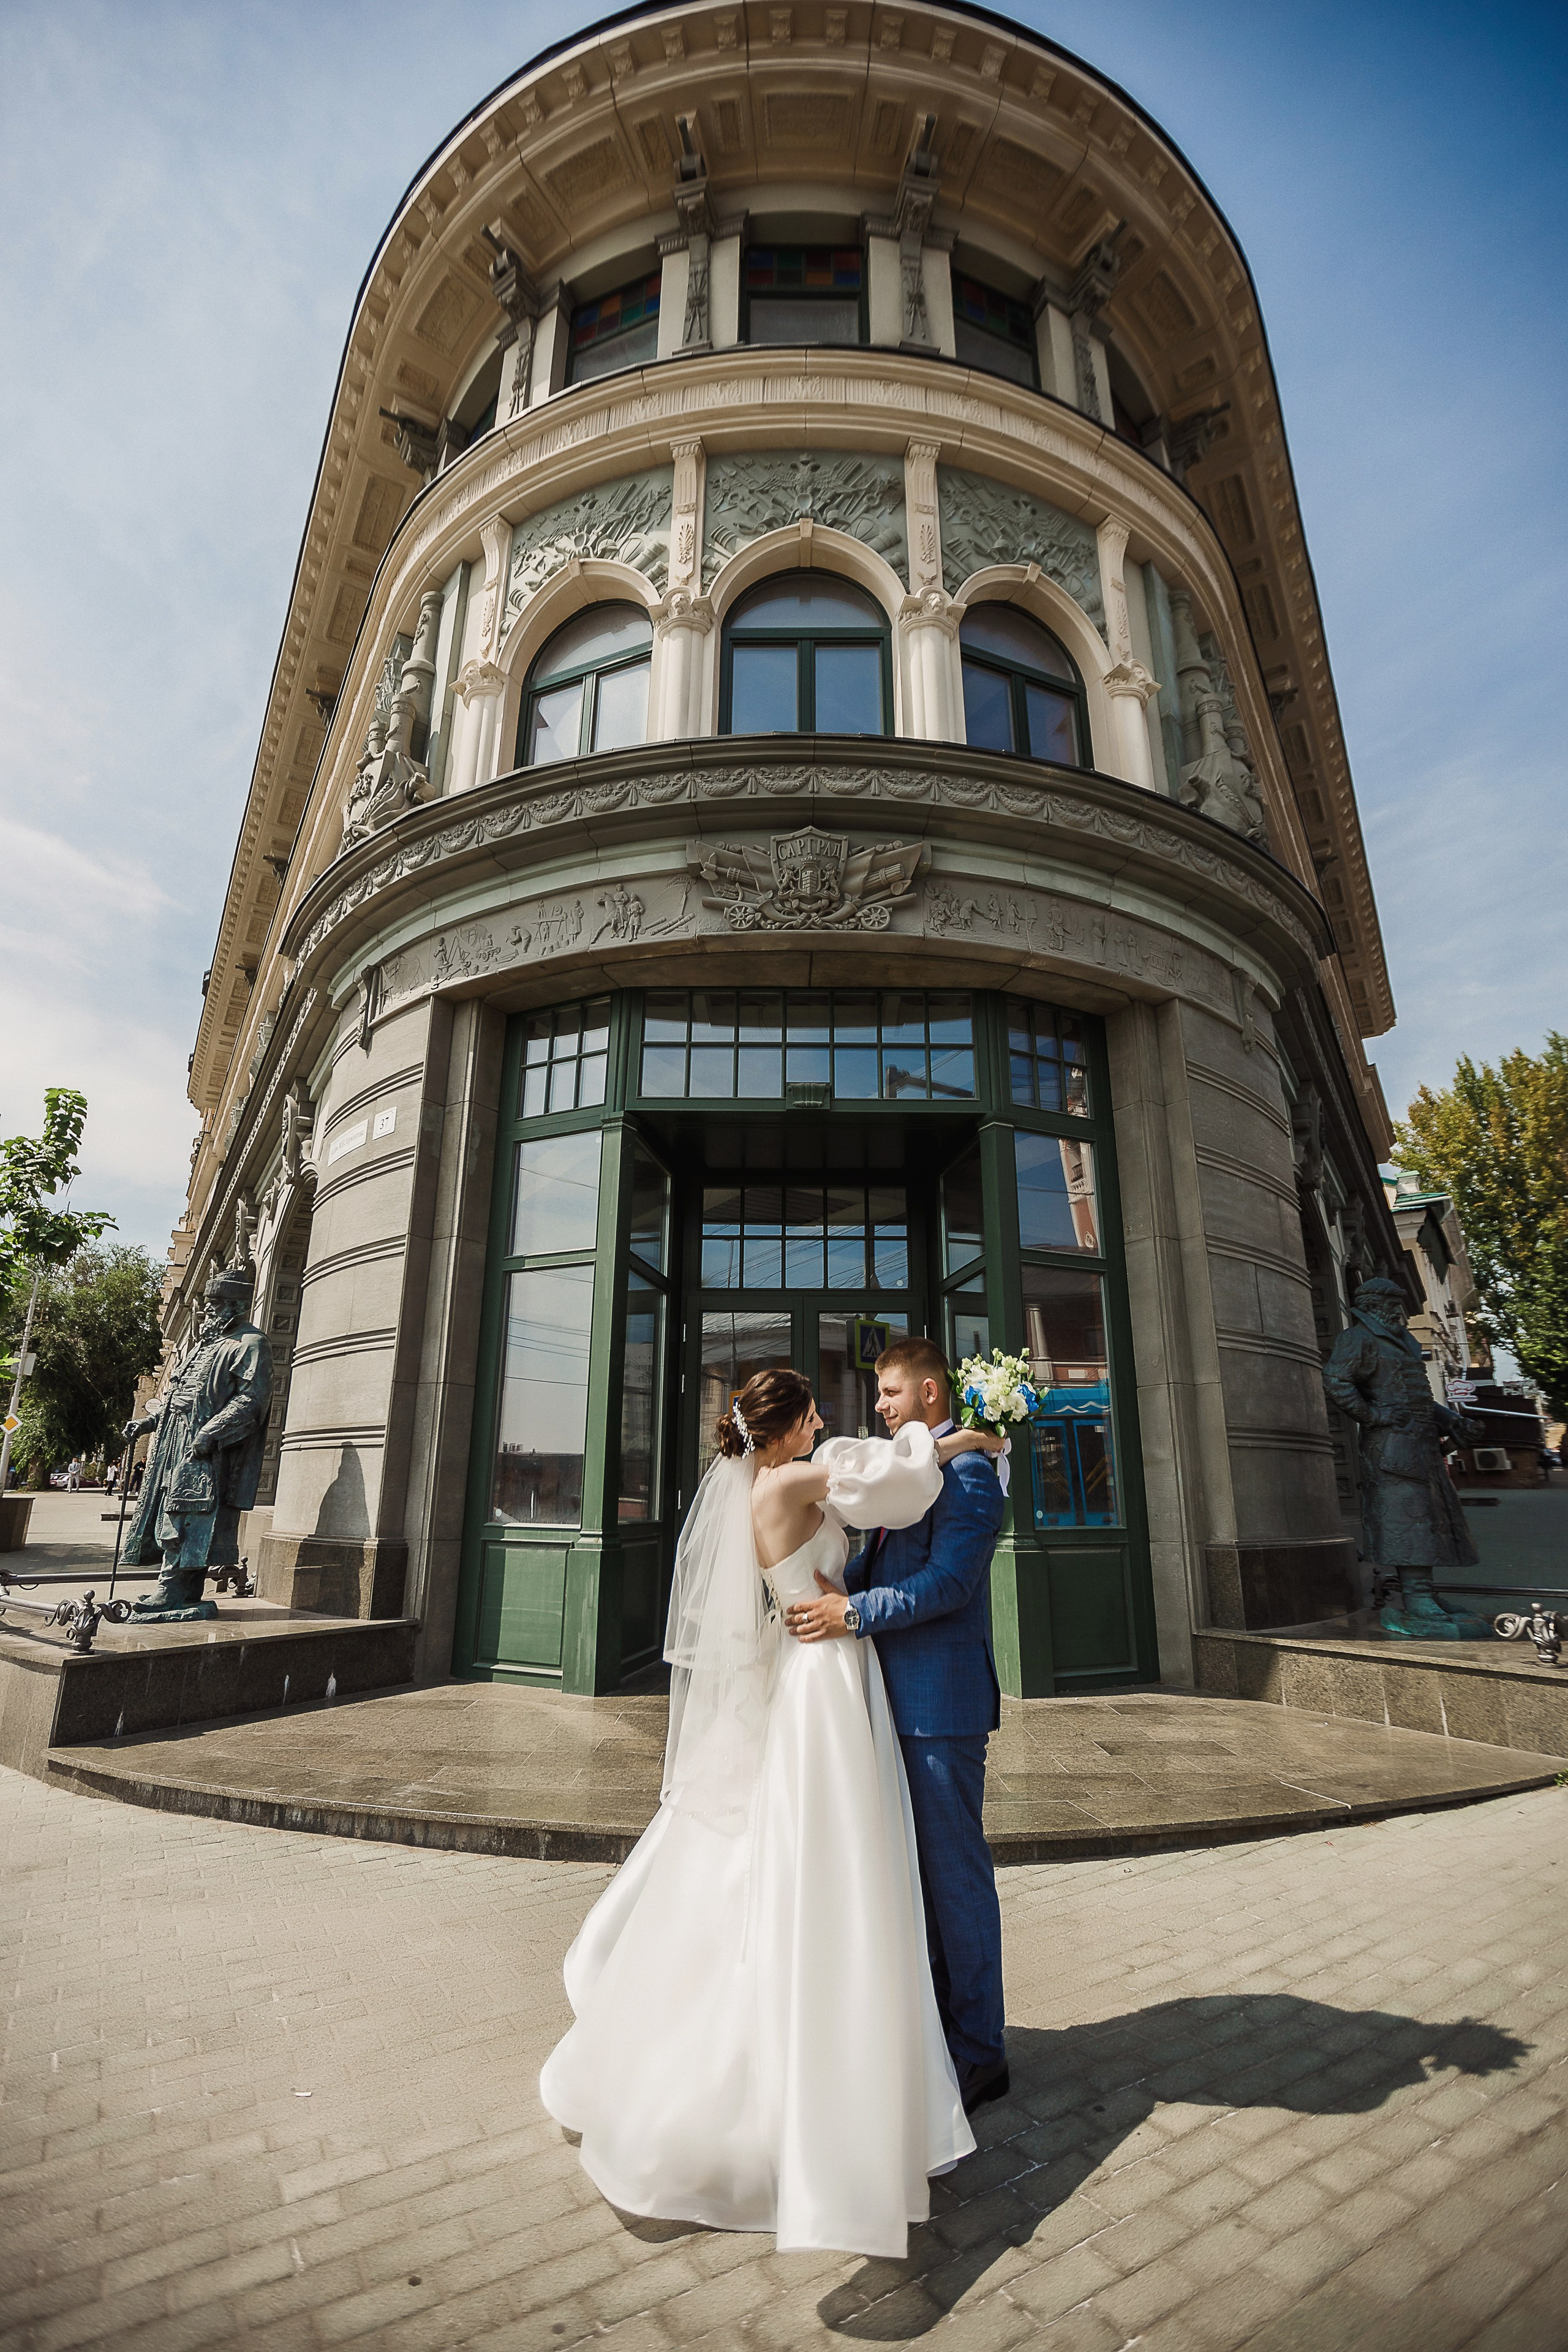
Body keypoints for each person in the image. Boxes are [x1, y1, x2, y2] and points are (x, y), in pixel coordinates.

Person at [540, 1366, 1005, 2259]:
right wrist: (964, 1442)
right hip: (824, 1669)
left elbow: (880, 1484)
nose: (828, 1422)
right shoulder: (791, 1480)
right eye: (814, 1414)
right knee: (835, 1850)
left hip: (816, 1659)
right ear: (784, 1428)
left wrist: (942, 1445)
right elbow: (900, 1483)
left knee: (802, 1849)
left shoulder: (765, 1482)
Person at [786, 1336, 1011, 2112]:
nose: (878, 1405)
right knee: (913, 1884)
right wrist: (837, 1584)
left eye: (889, 1391)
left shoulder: (973, 1479)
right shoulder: (917, 1472)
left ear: (930, 1394)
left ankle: (982, 2052)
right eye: (879, 1393)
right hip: (889, 1704)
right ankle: (940, 2034)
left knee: (954, 1881)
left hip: (938, 1711)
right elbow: (885, 1560)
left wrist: (851, 1611)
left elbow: (947, 1583)